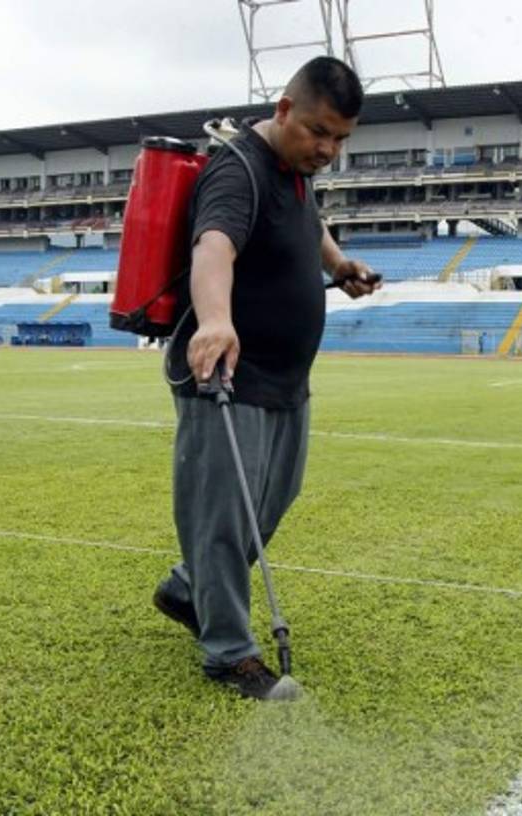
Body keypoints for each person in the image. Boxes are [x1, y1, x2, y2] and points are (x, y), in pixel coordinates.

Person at [152, 56, 380, 699]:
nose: (328, 149)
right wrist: (215, 321)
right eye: (319, 132)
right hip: (230, 374)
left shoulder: (296, 170)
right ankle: (229, 653)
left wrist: (339, 266)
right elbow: (214, 246)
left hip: (285, 377)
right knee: (226, 519)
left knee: (272, 502)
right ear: (284, 110)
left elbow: (309, 226)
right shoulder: (239, 168)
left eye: (340, 138)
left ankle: (190, 588)